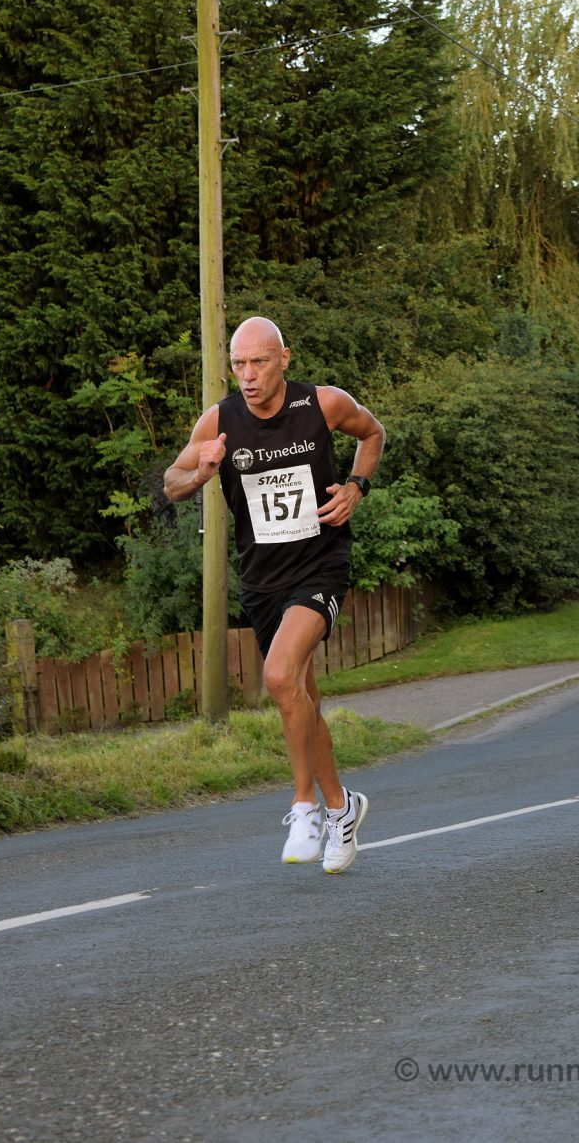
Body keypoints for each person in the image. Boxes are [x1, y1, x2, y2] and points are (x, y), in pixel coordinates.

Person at [164, 316, 385, 871]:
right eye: (238, 364)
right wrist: (201, 474)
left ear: (284, 359)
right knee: (299, 697)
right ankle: (343, 809)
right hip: (262, 579)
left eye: (259, 362)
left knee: (281, 677)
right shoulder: (220, 421)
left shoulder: (323, 404)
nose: (248, 375)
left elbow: (373, 433)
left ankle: (304, 804)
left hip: (319, 565)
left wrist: (356, 486)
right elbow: (171, 482)